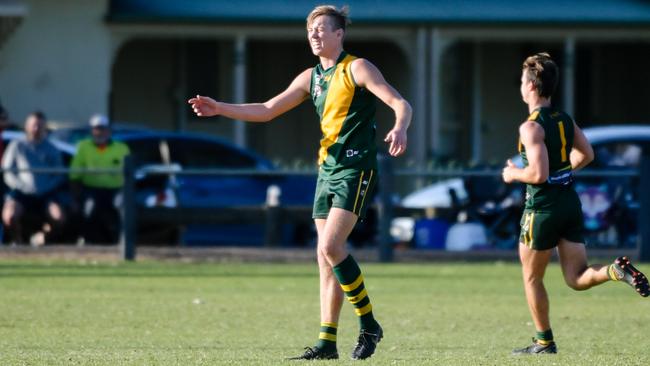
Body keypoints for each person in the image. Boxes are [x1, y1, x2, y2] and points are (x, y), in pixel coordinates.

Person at [188, 5, 411, 360]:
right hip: (327, 170)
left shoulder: (357, 67)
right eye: (311, 29)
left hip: (356, 169)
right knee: (325, 257)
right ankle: (327, 343)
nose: (315, 34)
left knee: (331, 247)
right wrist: (220, 108)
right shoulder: (310, 77)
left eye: (322, 28)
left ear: (340, 34)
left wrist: (399, 126)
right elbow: (266, 109)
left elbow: (400, 103)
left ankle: (369, 323)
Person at [502, 52, 649, 355]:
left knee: (532, 278)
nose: (520, 86)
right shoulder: (563, 119)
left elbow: (538, 173)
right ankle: (613, 271)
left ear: (531, 86)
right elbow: (587, 155)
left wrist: (512, 173)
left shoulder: (531, 127)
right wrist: (562, 173)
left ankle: (544, 342)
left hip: (541, 209)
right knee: (576, 277)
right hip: (569, 203)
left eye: (521, 81)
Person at [2, 111, 66, 244]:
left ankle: (40, 238)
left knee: (59, 217)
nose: (36, 129)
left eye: (39, 126)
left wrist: (46, 187)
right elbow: (7, 172)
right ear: (27, 126)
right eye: (33, 125)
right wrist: (21, 186)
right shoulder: (17, 146)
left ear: (44, 127)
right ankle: (18, 242)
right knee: (9, 216)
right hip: (21, 193)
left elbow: (59, 174)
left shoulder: (52, 148)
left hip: (46, 194)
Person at [69, 114, 130, 244]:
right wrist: (75, 197)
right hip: (91, 189)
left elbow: (129, 174)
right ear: (91, 130)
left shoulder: (122, 148)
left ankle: (123, 243)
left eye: (103, 128)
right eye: (96, 128)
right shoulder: (83, 147)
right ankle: (88, 240)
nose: (100, 132)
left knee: (122, 205)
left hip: (115, 190)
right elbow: (75, 175)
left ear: (109, 130)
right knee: (90, 208)